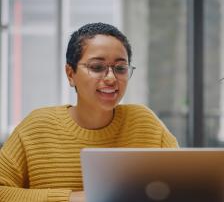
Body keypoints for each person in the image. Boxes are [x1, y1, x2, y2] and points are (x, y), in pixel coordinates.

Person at [0, 22, 178, 202]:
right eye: (97, 67)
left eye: (120, 68)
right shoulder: (37, 127)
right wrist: (76, 199)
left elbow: (184, 185)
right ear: (70, 74)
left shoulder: (145, 122)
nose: (111, 78)